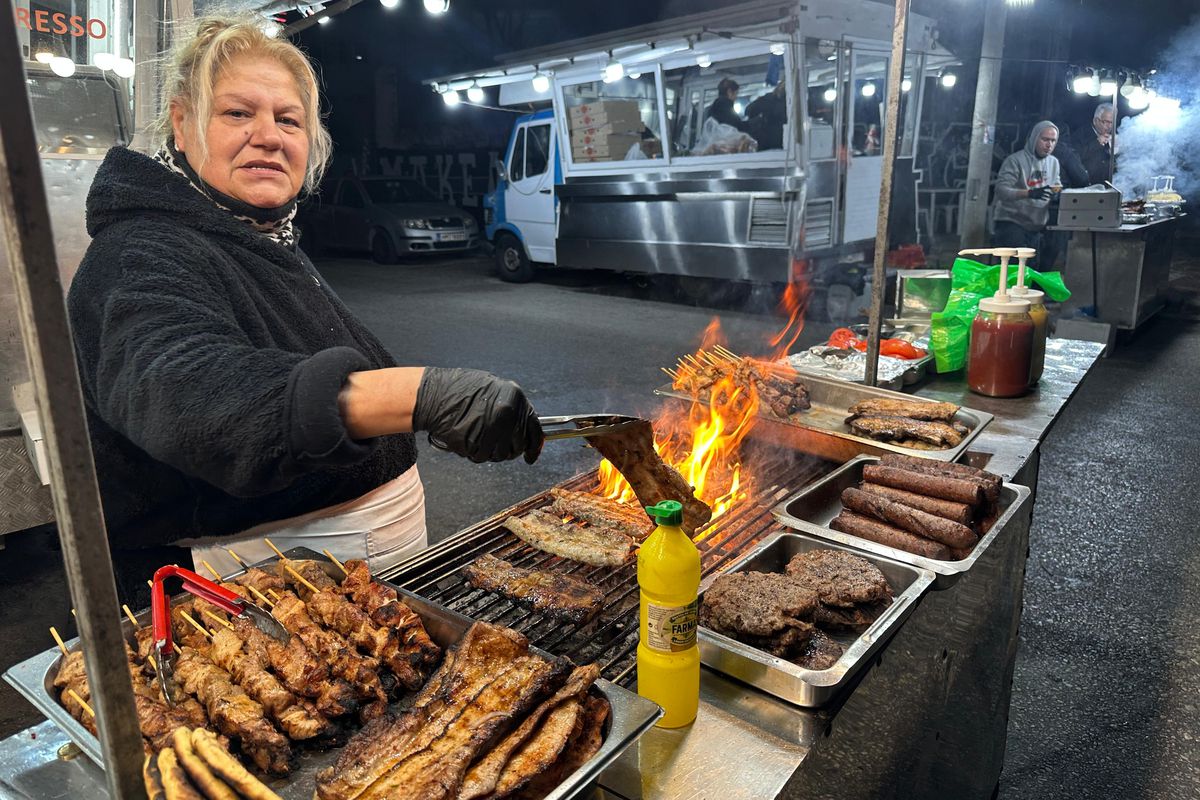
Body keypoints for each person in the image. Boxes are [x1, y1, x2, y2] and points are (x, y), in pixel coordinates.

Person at [66, 17, 544, 602]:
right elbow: (191, 393)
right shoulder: (140, 251)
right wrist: (423, 397)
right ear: (183, 125)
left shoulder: (257, 236)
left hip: (356, 576)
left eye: (288, 119)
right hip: (247, 596)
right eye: (238, 113)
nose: (269, 136)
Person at [992, 121, 1062, 266]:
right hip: (1011, 222)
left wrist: (1057, 193)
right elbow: (1001, 190)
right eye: (1045, 139)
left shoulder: (1054, 162)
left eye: (1053, 141)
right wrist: (1028, 193)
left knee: (1035, 269)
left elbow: (1056, 184)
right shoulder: (1015, 160)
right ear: (1034, 138)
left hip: (1036, 225)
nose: (1049, 145)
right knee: (1015, 271)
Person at [1076, 102, 1115, 185]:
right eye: (1106, 122)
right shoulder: (1081, 134)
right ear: (1096, 121)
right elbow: (1076, 157)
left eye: (1112, 122)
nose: (1110, 126)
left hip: (1106, 185)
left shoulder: (1113, 136)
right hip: (1085, 186)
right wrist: (1097, 143)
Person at [745, 82, 786, 150]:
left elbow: (748, 110)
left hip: (766, 143)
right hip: (775, 141)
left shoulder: (765, 99)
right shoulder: (773, 102)